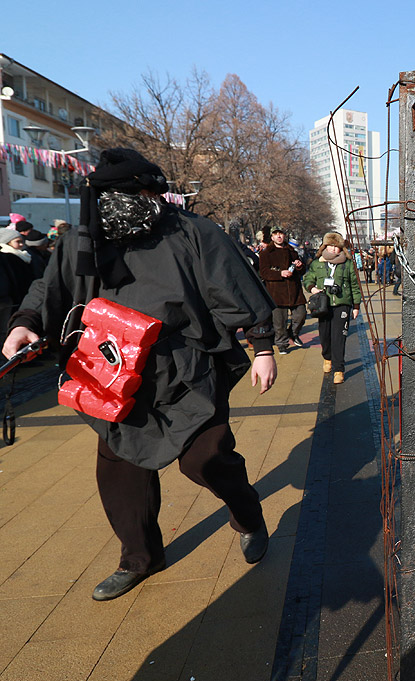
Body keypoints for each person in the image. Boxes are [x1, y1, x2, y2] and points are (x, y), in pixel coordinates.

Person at [2, 147, 278, 602]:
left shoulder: (192, 231)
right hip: (110, 375)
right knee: (119, 474)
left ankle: (248, 514)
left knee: (206, 461)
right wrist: (24, 324)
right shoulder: (80, 240)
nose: (132, 200)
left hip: (185, 369)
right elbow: (48, 287)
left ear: (153, 193)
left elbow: (234, 285)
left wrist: (263, 346)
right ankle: (139, 558)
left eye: (142, 191)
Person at [303, 232, 361, 384]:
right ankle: (327, 357)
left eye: (336, 246)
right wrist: (312, 288)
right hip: (323, 304)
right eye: (330, 246)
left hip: (342, 304)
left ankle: (339, 369)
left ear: (341, 247)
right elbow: (308, 278)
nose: (333, 249)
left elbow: (355, 285)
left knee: (339, 337)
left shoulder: (347, 264)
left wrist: (356, 306)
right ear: (324, 247)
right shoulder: (317, 263)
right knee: (324, 335)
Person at [258, 225, 307, 353]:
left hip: (294, 290)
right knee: (279, 321)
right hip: (276, 292)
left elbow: (301, 271)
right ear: (272, 237)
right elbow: (263, 272)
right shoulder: (266, 253)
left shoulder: (292, 251)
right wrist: (280, 274)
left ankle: (293, 333)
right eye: (276, 234)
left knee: (301, 314)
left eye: (281, 233)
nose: (279, 236)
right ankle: (282, 343)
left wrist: (299, 266)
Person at [0, 228, 35, 352]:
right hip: (7, 297)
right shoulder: (9, 256)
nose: (21, 245)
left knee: (6, 331)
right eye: (17, 242)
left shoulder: (11, 257)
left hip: (8, 299)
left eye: (22, 241)